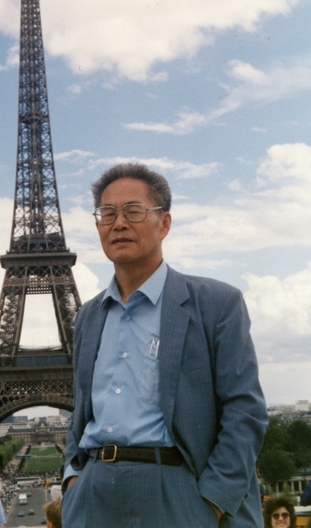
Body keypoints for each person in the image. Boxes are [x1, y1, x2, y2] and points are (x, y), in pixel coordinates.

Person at [62, 163, 268, 527]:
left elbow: (245, 410)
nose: (118, 223)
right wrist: (73, 479)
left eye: (133, 211)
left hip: (178, 493)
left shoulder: (216, 303)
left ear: (165, 223)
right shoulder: (88, 317)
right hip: (93, 496)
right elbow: (80, 412)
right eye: (107, 213)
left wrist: (212, 502)